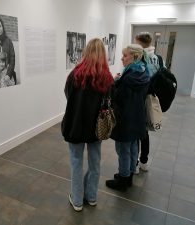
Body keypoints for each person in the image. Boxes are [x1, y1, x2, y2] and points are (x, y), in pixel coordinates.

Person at [61, 38, 113, 211]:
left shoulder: (75, 74)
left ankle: (76, 200)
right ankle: (91, 197)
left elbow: (67, 94)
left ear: (86, 52)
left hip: (75, 125)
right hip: (96, 129)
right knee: (95, 162)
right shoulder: (107, 78)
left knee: (76, 162)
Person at [105, 44, 150, 191]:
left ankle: (123, 180)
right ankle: (129, 175)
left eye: (125, 56)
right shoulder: (144, 72)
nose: (122, 58)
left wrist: (114, 82)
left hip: (125, 118)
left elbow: (118, 97)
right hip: (137, 117)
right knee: (133, 147)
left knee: (123, 149)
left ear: (135, 57)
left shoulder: (128, 77)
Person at [134, 32, 164, 173]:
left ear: (140, 43)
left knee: (136, 132)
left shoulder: (140, 57)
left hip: (139, 99)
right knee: (145, 132)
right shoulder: (158, 58)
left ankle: (134, 162)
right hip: (151, 97)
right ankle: (144, 162)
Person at [0, 17, 16, 89]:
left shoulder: (9, 42)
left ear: (2, 27)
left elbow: (12, 58)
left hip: (7, 75)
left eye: (0, 26)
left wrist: (9, 74)